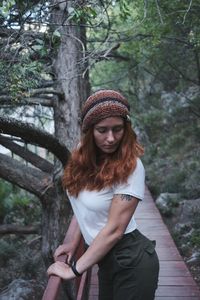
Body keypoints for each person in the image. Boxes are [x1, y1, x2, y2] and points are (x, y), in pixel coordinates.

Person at [47, 90, 159, 300]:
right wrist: (74, 242)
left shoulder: (131, 166)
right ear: (89, 131)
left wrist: (73, 270)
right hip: (104, 260)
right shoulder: (83, 157)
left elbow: (116, 230)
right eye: (102, 130)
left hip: (132, 261)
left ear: (126, 129)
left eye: (118, 129)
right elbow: (85, 205)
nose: (110, 138)